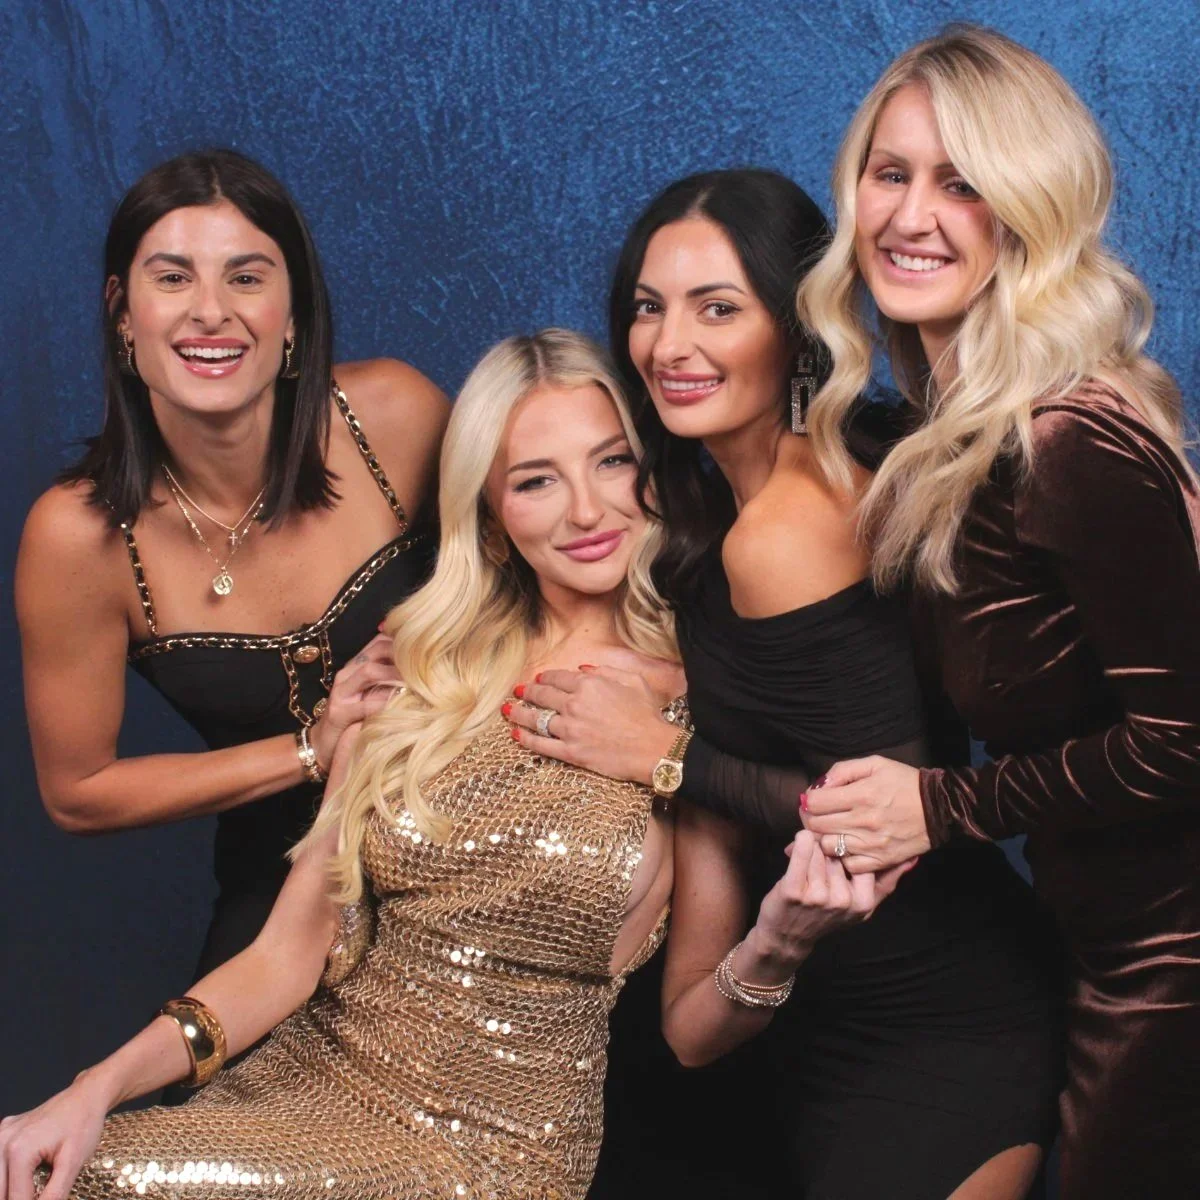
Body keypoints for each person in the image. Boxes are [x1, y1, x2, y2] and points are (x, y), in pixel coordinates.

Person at [1, 329, 687, 1200]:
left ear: (655, 472)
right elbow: (286, 956)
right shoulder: (424, 661)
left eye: (613, 461)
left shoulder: (703, 698)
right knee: (44, 1166)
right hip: (303, 1090)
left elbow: (700, 1004)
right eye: (536, 480)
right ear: (493, 516)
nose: (587, 511)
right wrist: (92, 1090)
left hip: (496, 1153)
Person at [507, 170, 1062, 1199]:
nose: (670, 346)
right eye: (648, 307)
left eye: (718, 307)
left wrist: (664, 752)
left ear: (797, 326)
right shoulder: (802, 478)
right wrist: (680, 681)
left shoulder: (785, 524)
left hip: (936, 1014)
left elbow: (875, 816)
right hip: (828, 1017)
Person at [789, 26, 1200, 1199]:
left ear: (1027, 210)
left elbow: (1187, 741)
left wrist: (941, 807)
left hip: (1175, 963)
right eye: (892, 172)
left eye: (963, 182)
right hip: (1101, 948)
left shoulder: (1070, 435)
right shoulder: (948, 440)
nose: (914, 215)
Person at [15, 150, 448, 996]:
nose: (210, 313)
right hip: (282, 890)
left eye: (246, 278)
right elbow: (78, 792)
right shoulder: (77, 536)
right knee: (209, 1126)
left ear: (292, 314)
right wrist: (307, 750)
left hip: (483, 850)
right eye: (172, 278)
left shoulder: (394, 418)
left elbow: (549, 582)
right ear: (122, 314)